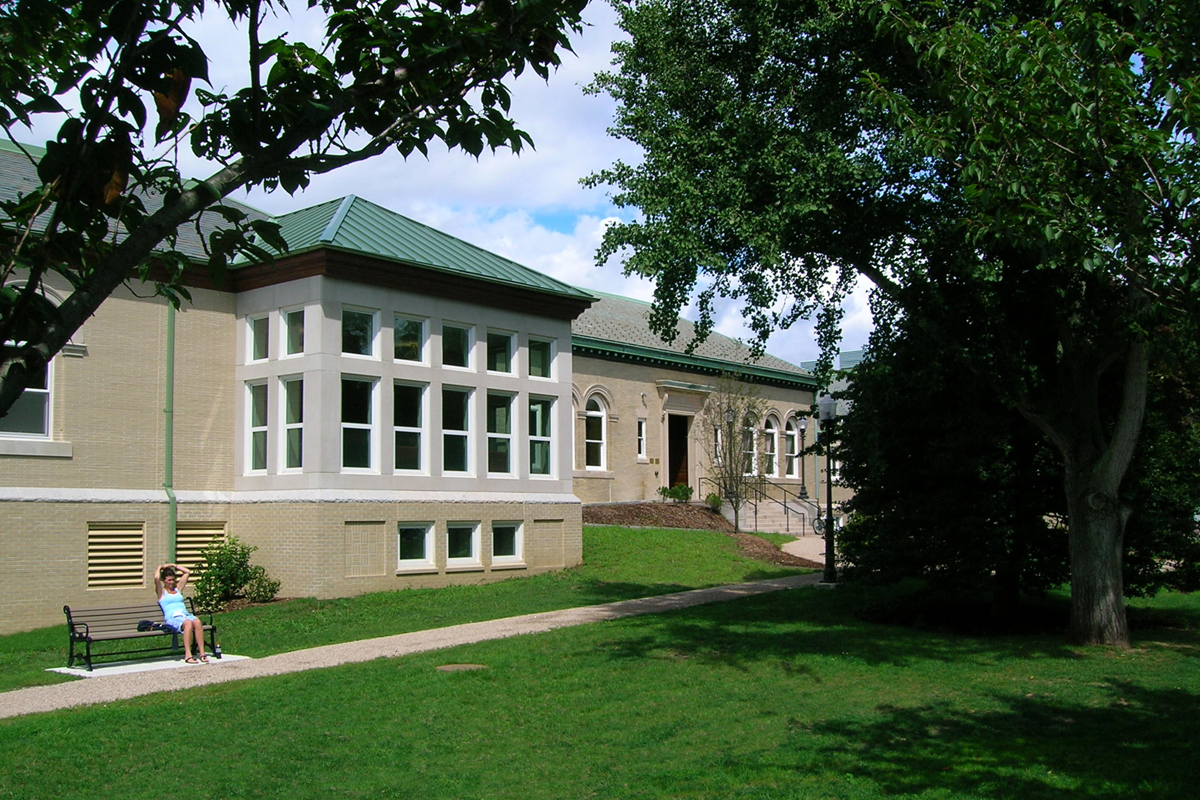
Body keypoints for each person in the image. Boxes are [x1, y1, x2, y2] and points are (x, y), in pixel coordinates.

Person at [154, 563, 208, 664]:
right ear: (164, 581)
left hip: (184, 615)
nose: (171, 582)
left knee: (197, 622)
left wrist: (173, 565)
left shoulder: (177, 589)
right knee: (188, 624)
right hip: (173, 618)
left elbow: (187, 572)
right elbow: (156, 578)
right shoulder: (161, 592)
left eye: (173, 580)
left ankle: (202, 653)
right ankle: (188, 655)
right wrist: (159, 567)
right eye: (169, 580)